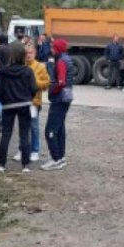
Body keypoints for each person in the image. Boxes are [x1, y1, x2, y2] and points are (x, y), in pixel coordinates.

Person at [0, 43, 38, 173]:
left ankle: (1, 164)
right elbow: (33, 89)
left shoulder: (3, 71)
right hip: (24, 104)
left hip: (8, 105)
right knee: (24, 134)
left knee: (6, 134)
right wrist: (27, 98)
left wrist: (5, 101)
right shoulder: (28, 71)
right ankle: (25, 165)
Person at [14, 43, 50, 163]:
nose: (28, 55)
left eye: (31, 53)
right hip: (20, 101)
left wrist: (33, 82)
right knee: (22, 127)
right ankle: (22, 149)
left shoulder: (40, 66)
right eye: (26, 53)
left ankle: (35, 150)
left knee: (33, 127)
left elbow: (46, 83)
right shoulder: (20, 65)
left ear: (35, 53)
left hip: (34, 102)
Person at [42, 38, 74, 171]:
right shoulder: (67, 59)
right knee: (60, 128)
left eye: (53, 48)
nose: (51, 50)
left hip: (59, 99)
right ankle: (61, 157)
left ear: (58, 49)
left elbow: (61, 82)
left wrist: (52, 89)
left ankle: (55, 158)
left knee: (50, 130)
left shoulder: (60, 61)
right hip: (66, 97)